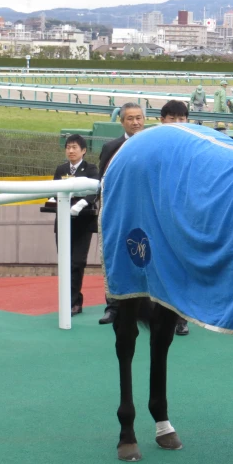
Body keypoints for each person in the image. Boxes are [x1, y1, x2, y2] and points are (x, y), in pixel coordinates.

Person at [98, 102, 145, 324]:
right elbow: (103, 183)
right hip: (118, 215)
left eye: (139, 118)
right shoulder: (111, 148)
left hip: (147, 215)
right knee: (115, 258)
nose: (135, 122)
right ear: (122, 121)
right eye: (130, 119)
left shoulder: (153, 144)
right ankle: (113, 306)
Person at [52, 134, 99, 316]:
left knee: (77, 262)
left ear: (84, 150)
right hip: (63, 221)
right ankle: (69, 300)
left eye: (75, 148)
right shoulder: (61, 169)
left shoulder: (91, 169)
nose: (71, 151)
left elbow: (95, 189)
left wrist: (81, 204)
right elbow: (54, 191)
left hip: (83, 222)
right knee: (65, 262)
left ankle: (74, 302)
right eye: (68, 147)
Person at [158, 100, 191, 336]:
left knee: (183, 267)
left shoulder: (196, 146)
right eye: (173, 118)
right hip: (158, 217)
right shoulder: (153, 146)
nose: (178, 123)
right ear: (162, 120)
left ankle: (182, 317)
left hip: (186, 218)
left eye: (182, 118)